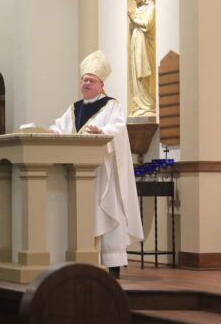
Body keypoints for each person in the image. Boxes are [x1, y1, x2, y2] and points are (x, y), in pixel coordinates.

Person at [49, 50, 143, 278]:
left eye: (91, 80)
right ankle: (83, 261)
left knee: (105, 211)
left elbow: (118, 129)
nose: (86, 83)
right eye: (84, 79)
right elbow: (60, 127)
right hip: (77, 173)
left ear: (101, 85)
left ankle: (111, 264)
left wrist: (102, 132)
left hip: (102, 173)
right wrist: (53, 131)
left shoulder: (112, 106)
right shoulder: (74, 108)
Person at [127, 0, 156, 117]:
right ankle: (140, 103)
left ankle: (148, 104)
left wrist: (133, 19)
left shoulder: (151, 8)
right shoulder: (138, 10)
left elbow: (147, 24)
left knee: (143, 71)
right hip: (135, 43)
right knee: (136, 72)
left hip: (144, 45)